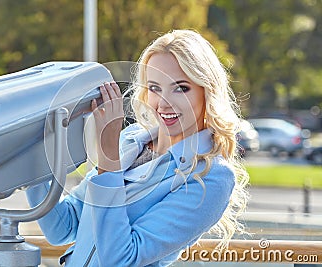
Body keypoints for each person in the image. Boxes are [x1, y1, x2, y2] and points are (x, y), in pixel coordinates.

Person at [27, 29, 249, 266]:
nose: (164, 103)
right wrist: (34, 152)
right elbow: (62, 227)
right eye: (155, 88)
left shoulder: (212, 176)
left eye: (181, 88)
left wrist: (107, 155)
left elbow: (121, 259)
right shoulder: (131, 141)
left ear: (207, 91)